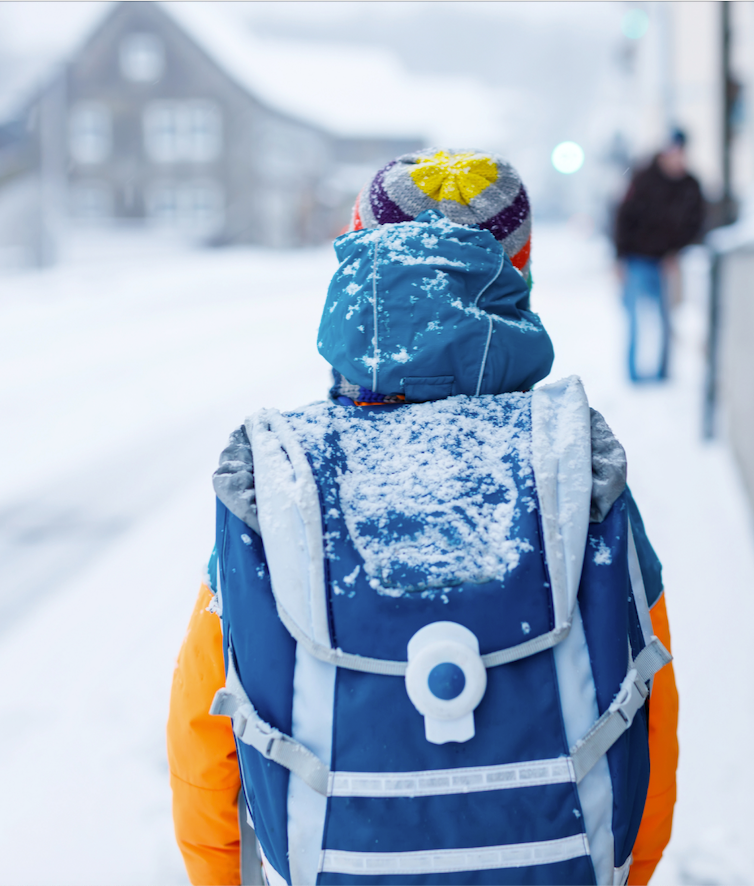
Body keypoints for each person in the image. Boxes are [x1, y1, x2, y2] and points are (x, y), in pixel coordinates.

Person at [168, 149, 679, 886]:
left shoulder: (285, 479)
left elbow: (203, 733)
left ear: (359, 266)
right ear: (515, 279)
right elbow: (647, 704)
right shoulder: (572, 460)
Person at [614, 129, 704, 381]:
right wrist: (619, 257)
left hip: (667, 262)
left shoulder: (690, 185)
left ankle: (663, 374)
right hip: (635, 260)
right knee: (634, 321)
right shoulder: (642, 178)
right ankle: (633, 376)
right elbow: (622, 217)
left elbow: (696, 224)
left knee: (666, 321)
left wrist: (676, 252)